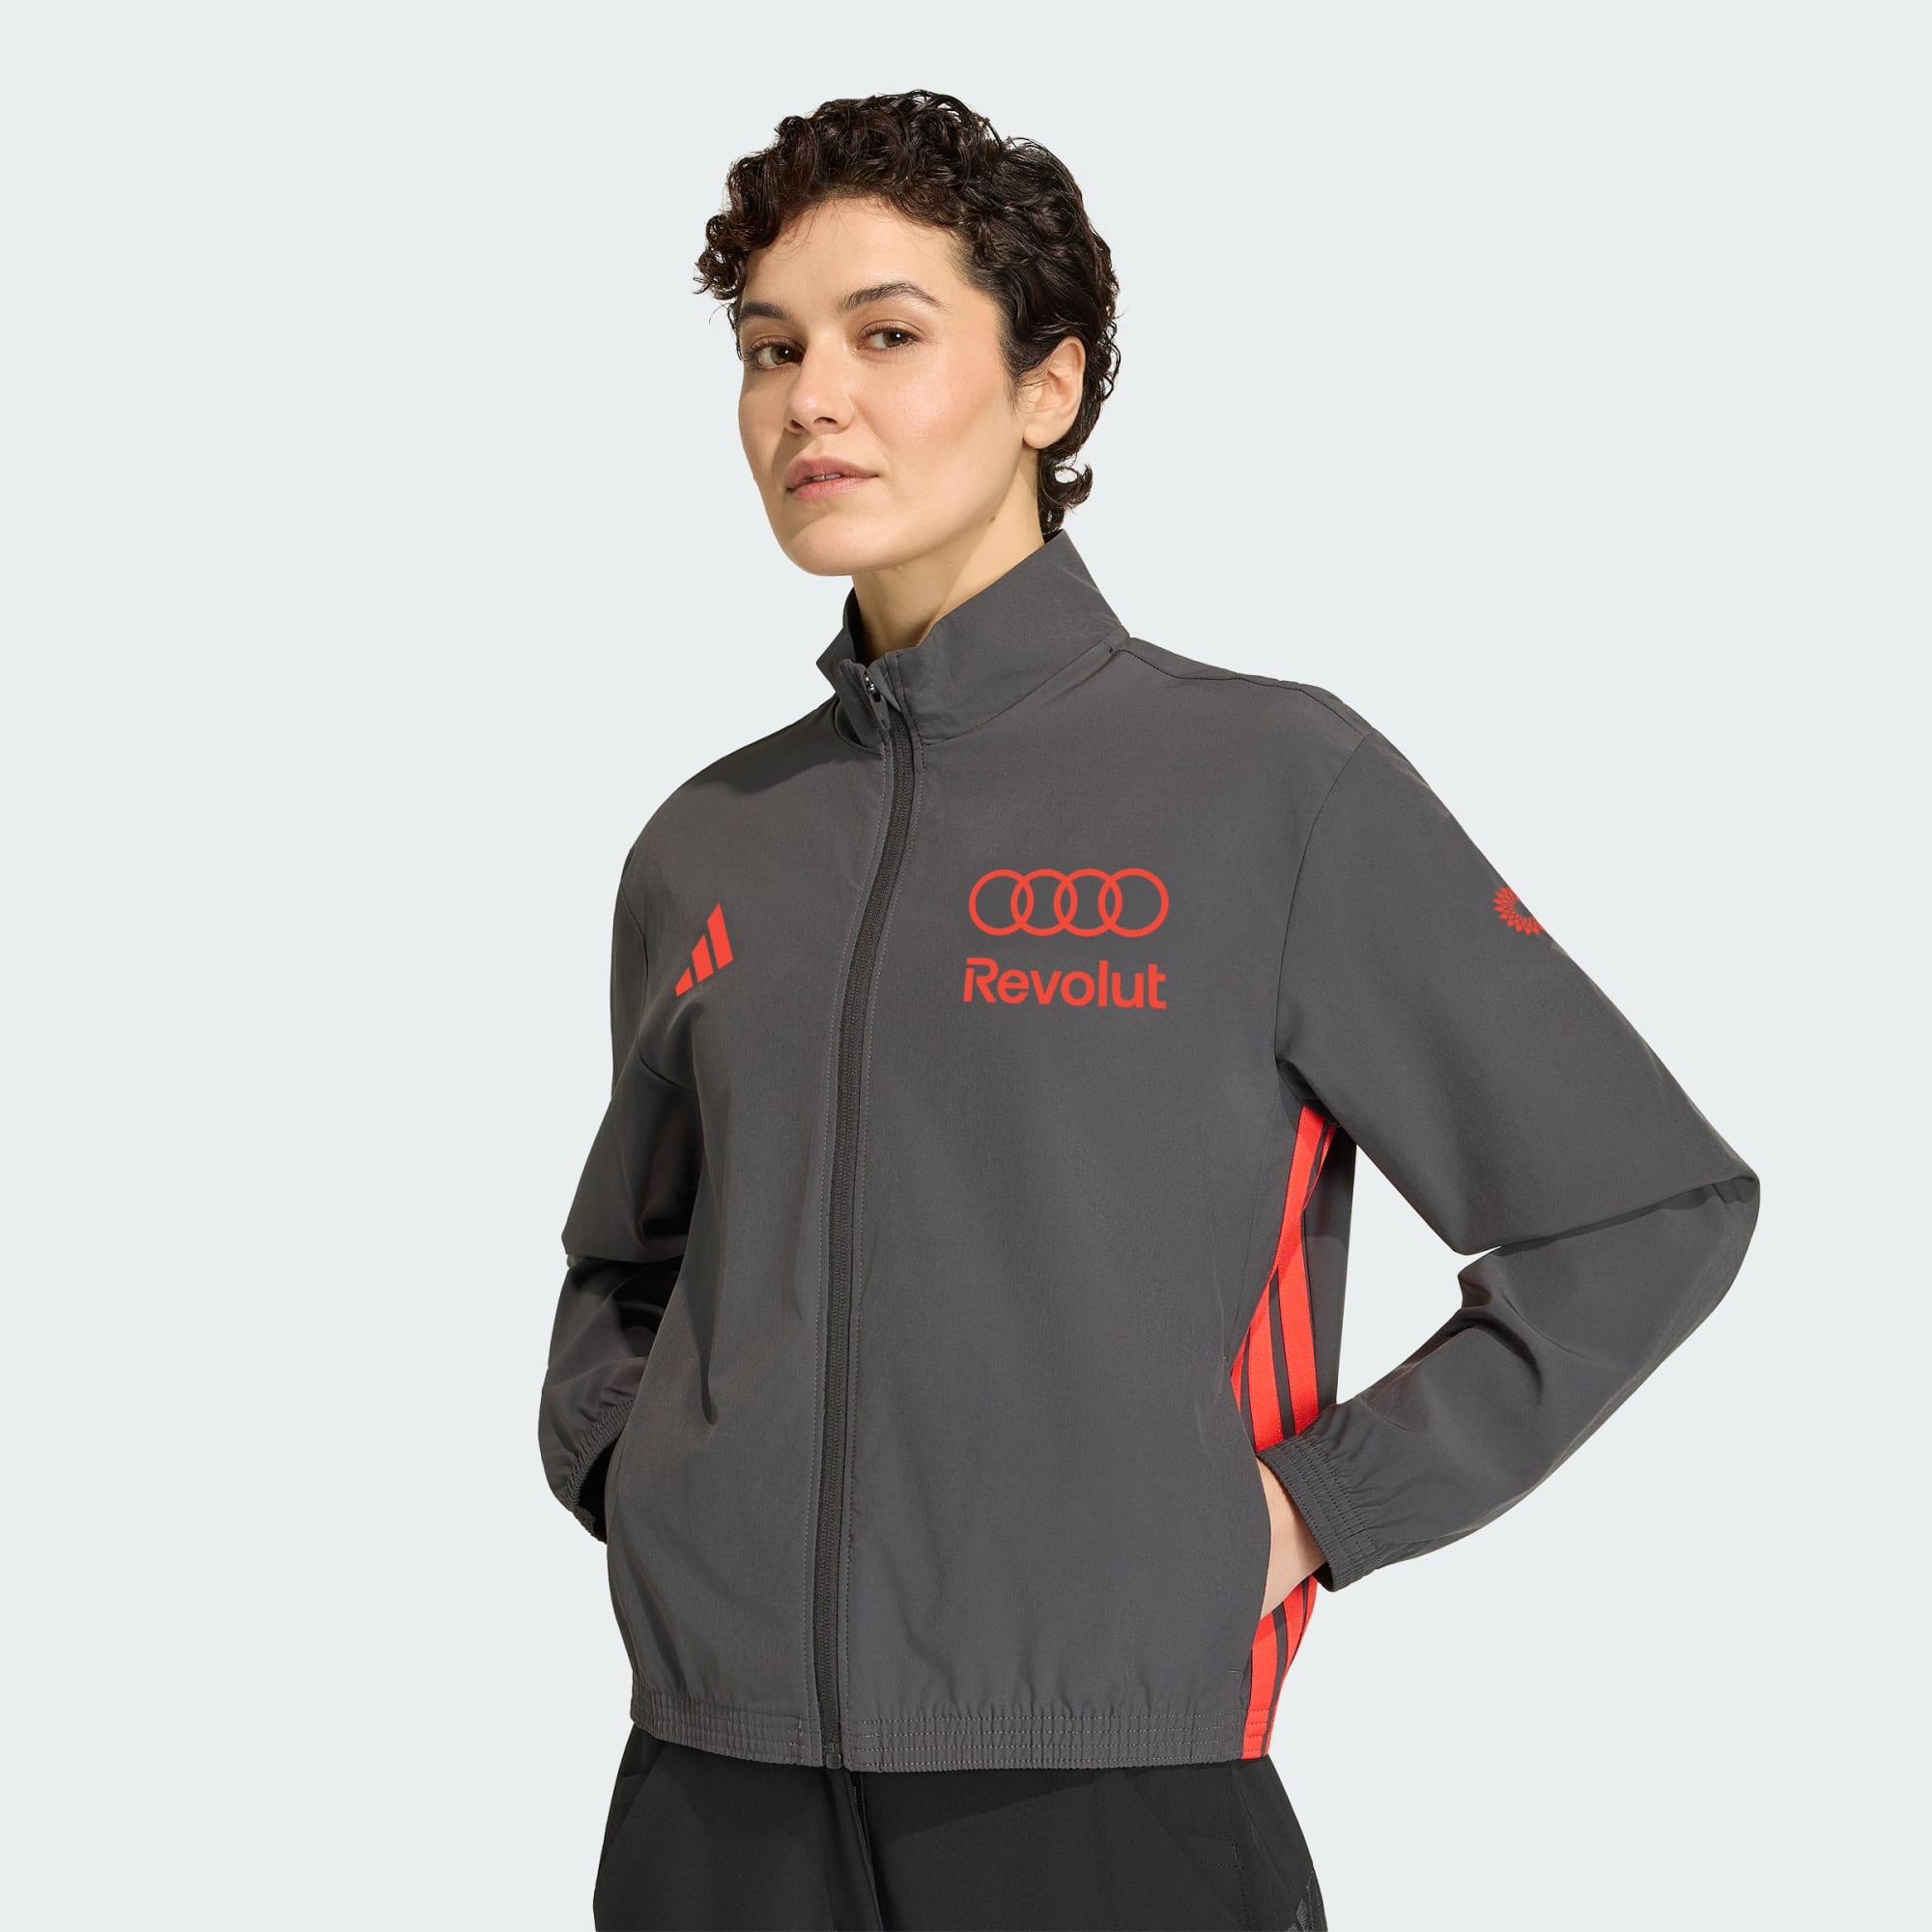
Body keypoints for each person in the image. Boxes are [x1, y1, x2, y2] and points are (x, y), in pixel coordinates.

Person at [537, 90, 1760, 1931]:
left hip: (1107, 1789)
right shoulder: (712, 841)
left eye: (887, 336)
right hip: (709, 1797)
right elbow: (628, 1264)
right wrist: (641, 1479)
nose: (811, 402)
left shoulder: (1268, 786)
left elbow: (1643, 1205)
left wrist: (1318, 1507)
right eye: (771, 350)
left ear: (1050, 385)